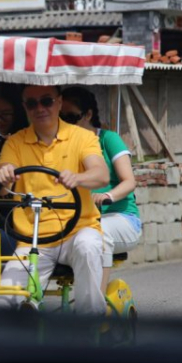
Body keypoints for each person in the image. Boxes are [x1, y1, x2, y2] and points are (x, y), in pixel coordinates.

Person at [0, 84, 110, 316]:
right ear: (25, 108)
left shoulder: (82, 137)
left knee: (88, 246)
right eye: (32, 103)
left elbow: (101, 174)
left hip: (78, 230)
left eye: (46, 101)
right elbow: (0, 184)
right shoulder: (15, 142)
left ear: (59, 102)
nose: (40, 108)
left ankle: (90, 325)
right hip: (32, 239)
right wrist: (3, 177)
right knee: (1, 301)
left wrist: (78, 177)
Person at [61, 86, 141, 294]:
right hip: (77, 220)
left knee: (98, 233)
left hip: (119, 217)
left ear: (88, 114)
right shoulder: (59, 145)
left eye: (71, 117)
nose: (65, 123)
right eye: (61, 117)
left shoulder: (108, 139)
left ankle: (95, 303)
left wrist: (107, 196)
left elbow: (129, 182)